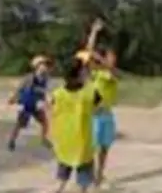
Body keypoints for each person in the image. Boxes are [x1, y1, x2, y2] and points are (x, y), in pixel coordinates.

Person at [49, 59, 103, 193]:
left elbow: (50, 108)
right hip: (82, 139)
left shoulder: (57, 93)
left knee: (63, 168)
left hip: (64, 138)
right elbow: (99, 109)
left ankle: (59, 188)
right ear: (80, 74)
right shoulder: (90, 92)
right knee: (84, 171)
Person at [7, 55, 51, 151]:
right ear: (37, 66)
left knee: (45, 122)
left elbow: (43, 93)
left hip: (36, 105)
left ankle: (44, 139)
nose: (46, 67)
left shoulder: (45, 78)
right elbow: (20, 88)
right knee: (19, 124)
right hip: (27, 104)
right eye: (43, 64)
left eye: (46, 65)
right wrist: (13, 98)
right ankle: (12, 141)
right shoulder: (29, 77)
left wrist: (46, 102)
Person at [90, 48, 119, 187]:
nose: (112, 59)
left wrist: (100, 58)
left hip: (107, 114)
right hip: (94, 115)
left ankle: (99, 174)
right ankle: (90, 174)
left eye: (113, 57)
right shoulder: (95, 73)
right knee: (92, 147)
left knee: (104, 147)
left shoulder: (110, 74)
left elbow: (112, 71)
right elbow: (87, 58)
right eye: (110, 56)